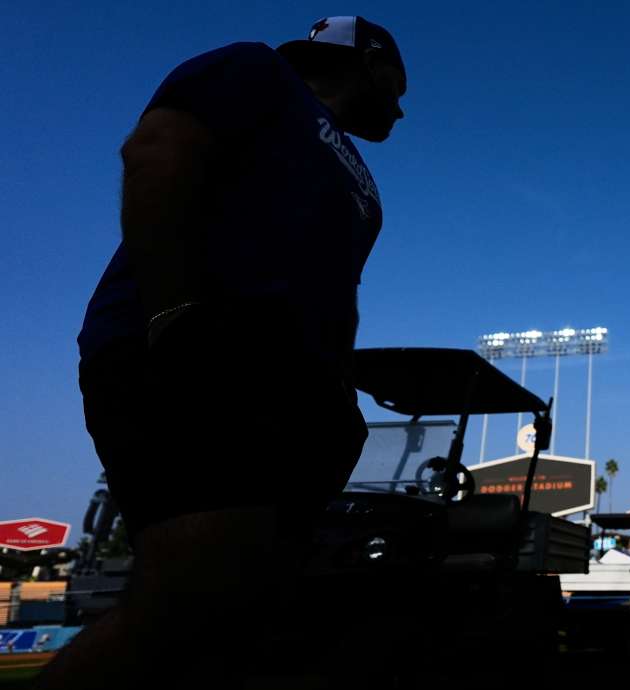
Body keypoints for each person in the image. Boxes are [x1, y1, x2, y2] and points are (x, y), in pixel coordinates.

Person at [40, 16, 406, 689]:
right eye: (398, 85)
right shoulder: (254, 70)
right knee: (195, 592)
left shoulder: (362, 180)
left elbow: (335, 289)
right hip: (199, 348)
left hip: (293, 382)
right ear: (370, 64)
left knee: (257, 608)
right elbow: (158, 150)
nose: (403, 108)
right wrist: (175, 315)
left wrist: (336, 386)